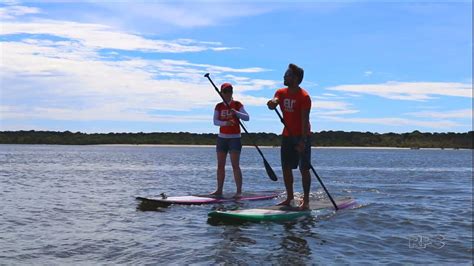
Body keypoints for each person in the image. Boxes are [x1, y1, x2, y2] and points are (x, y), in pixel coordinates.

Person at [267, 63, 312, 210]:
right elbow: (275, 100)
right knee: (286, 167)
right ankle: (290, 197)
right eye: (285, 74)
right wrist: (272, 103)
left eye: (288, 75)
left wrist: (302, 142)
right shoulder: (281, 92)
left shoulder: (304, 97)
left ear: (296, 78)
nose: (284, 77)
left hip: (302, 135)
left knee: (304, 168)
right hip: (287, 135)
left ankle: (306, 201)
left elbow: (304, 120)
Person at [212, 82, 249, 198]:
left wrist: (236, 113)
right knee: (220, 166)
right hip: (222, 138)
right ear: (221, 93)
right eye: (225, 92)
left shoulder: (237, 104)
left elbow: (247, 117)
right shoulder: (218, 106)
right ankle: (219, 190)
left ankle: (238, 191)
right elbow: (215, 122)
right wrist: (226, 123)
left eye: (229, 91)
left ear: (232, 92)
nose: (227, 94)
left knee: (235, 165)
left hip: (235, 138)